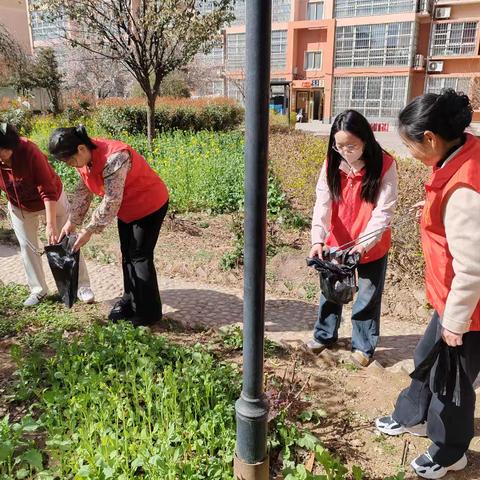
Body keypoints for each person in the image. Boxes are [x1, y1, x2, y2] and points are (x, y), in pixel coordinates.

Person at [375, 89, 480, 479]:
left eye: (410, 144)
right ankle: (412, 414)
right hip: (449, 297)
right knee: (425, 359)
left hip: (468, 308)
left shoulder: (465, 189)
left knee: (453, 382)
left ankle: (450, 450)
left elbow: (473, 267)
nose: (409, 152)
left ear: (432, 139)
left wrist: (455, 321)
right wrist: (434, 210)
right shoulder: (461, 154)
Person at [48, 125, 169, 327]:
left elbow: (112, 201)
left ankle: (148, 314)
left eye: (69, 160)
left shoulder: (115, 157)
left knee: (139, 256)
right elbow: (83, 192)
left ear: (81, 149)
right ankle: (130, 301)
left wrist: (88, 230)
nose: (70, 165)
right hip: (128, 209)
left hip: (149, 205)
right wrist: (72, 222)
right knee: (127, 254)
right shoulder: (83, 159)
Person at [306, 110, 398, 367]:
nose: (345, 151)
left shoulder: (385, 164)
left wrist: (362, 245)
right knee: (330, 292)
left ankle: (363, 347)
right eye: (339, 146)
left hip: (371, 244)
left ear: (365, 141)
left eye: (351, 146)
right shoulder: (331, 163)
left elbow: (384, 211)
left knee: (367, 296)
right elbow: (322, 204)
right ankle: (324, 335)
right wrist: (318, 239)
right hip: (337, 241)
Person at [0, 123, 94, 307]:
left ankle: (82, 286)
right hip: (20, 206)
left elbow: (47, 190)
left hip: (52, 199)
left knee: (67, 240)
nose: (2, 154)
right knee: (28, 247)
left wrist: (50, 224)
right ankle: (38, 290)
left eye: (5, 149)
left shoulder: (29, 151)